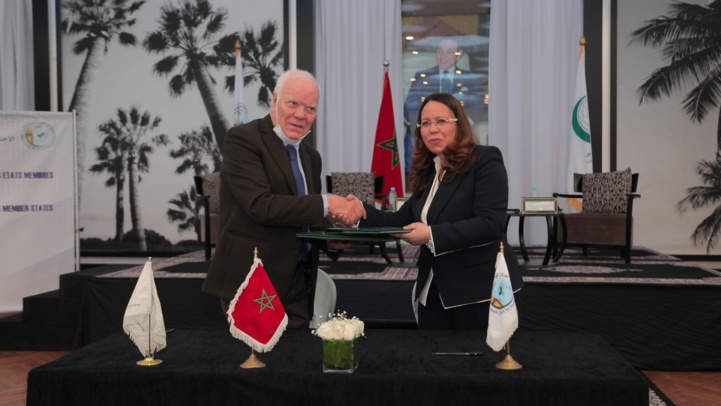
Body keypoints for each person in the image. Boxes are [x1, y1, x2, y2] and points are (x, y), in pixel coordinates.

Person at [202, 69, 365, 328]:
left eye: (310, 108)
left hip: (299, 281)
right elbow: (261, 206)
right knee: (256, 363)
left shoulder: (311, 157)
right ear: (275, 99)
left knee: (296, 361)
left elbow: (302, 215)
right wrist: (328, 202)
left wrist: (330, 238)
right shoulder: (243, 139)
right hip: (253, 280)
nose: (301, 114)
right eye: (293, 103)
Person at [360, 92, 522, 330]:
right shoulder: (429, 172)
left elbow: (490, 224)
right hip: (432, 291)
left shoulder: (485, 160)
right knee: (432, 364)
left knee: (479, 366)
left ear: (460, 124)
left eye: (441, 121)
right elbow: (399, 221)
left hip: (480, 293)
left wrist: (430, 235)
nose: (432, 129)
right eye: (425, 123)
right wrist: (358, 212)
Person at [403, 36, 485, 180]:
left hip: (459, 131)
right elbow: (409, 106)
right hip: (429, 131)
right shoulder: (422, 77)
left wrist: (465, 124)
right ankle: (416, 178)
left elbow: (478, 105)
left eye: (448, 51)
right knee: (411, 138)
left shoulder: (470, 78)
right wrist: (425, 125)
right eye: (440, 51)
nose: (443, 55)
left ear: (458, 55)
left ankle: (460, 178)